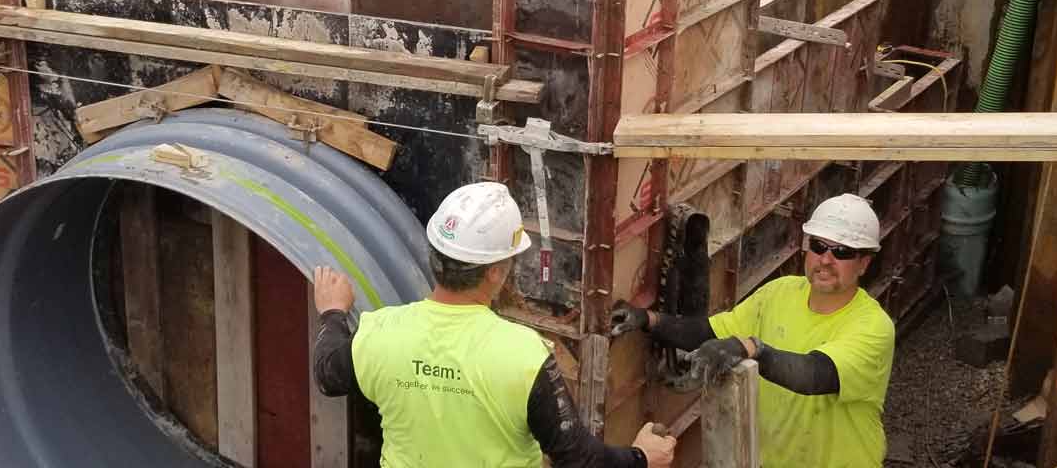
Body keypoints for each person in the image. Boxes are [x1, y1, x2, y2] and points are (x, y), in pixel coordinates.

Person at [312, 181, 676, 468]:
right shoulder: (522, 355)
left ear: (434, 256)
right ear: (496, 272)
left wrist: (332, 311)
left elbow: (328, 374)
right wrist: (640, 457)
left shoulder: (379, 334)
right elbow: (577, 459)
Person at [610, 193, 895, 468]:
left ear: (864, 263)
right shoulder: (780, 293)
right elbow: (711, 331)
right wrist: (649, 319)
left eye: (842, 252)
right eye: (819, 246)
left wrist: (752, 348)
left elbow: (815, 375)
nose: (826, 259)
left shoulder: (873, 326)